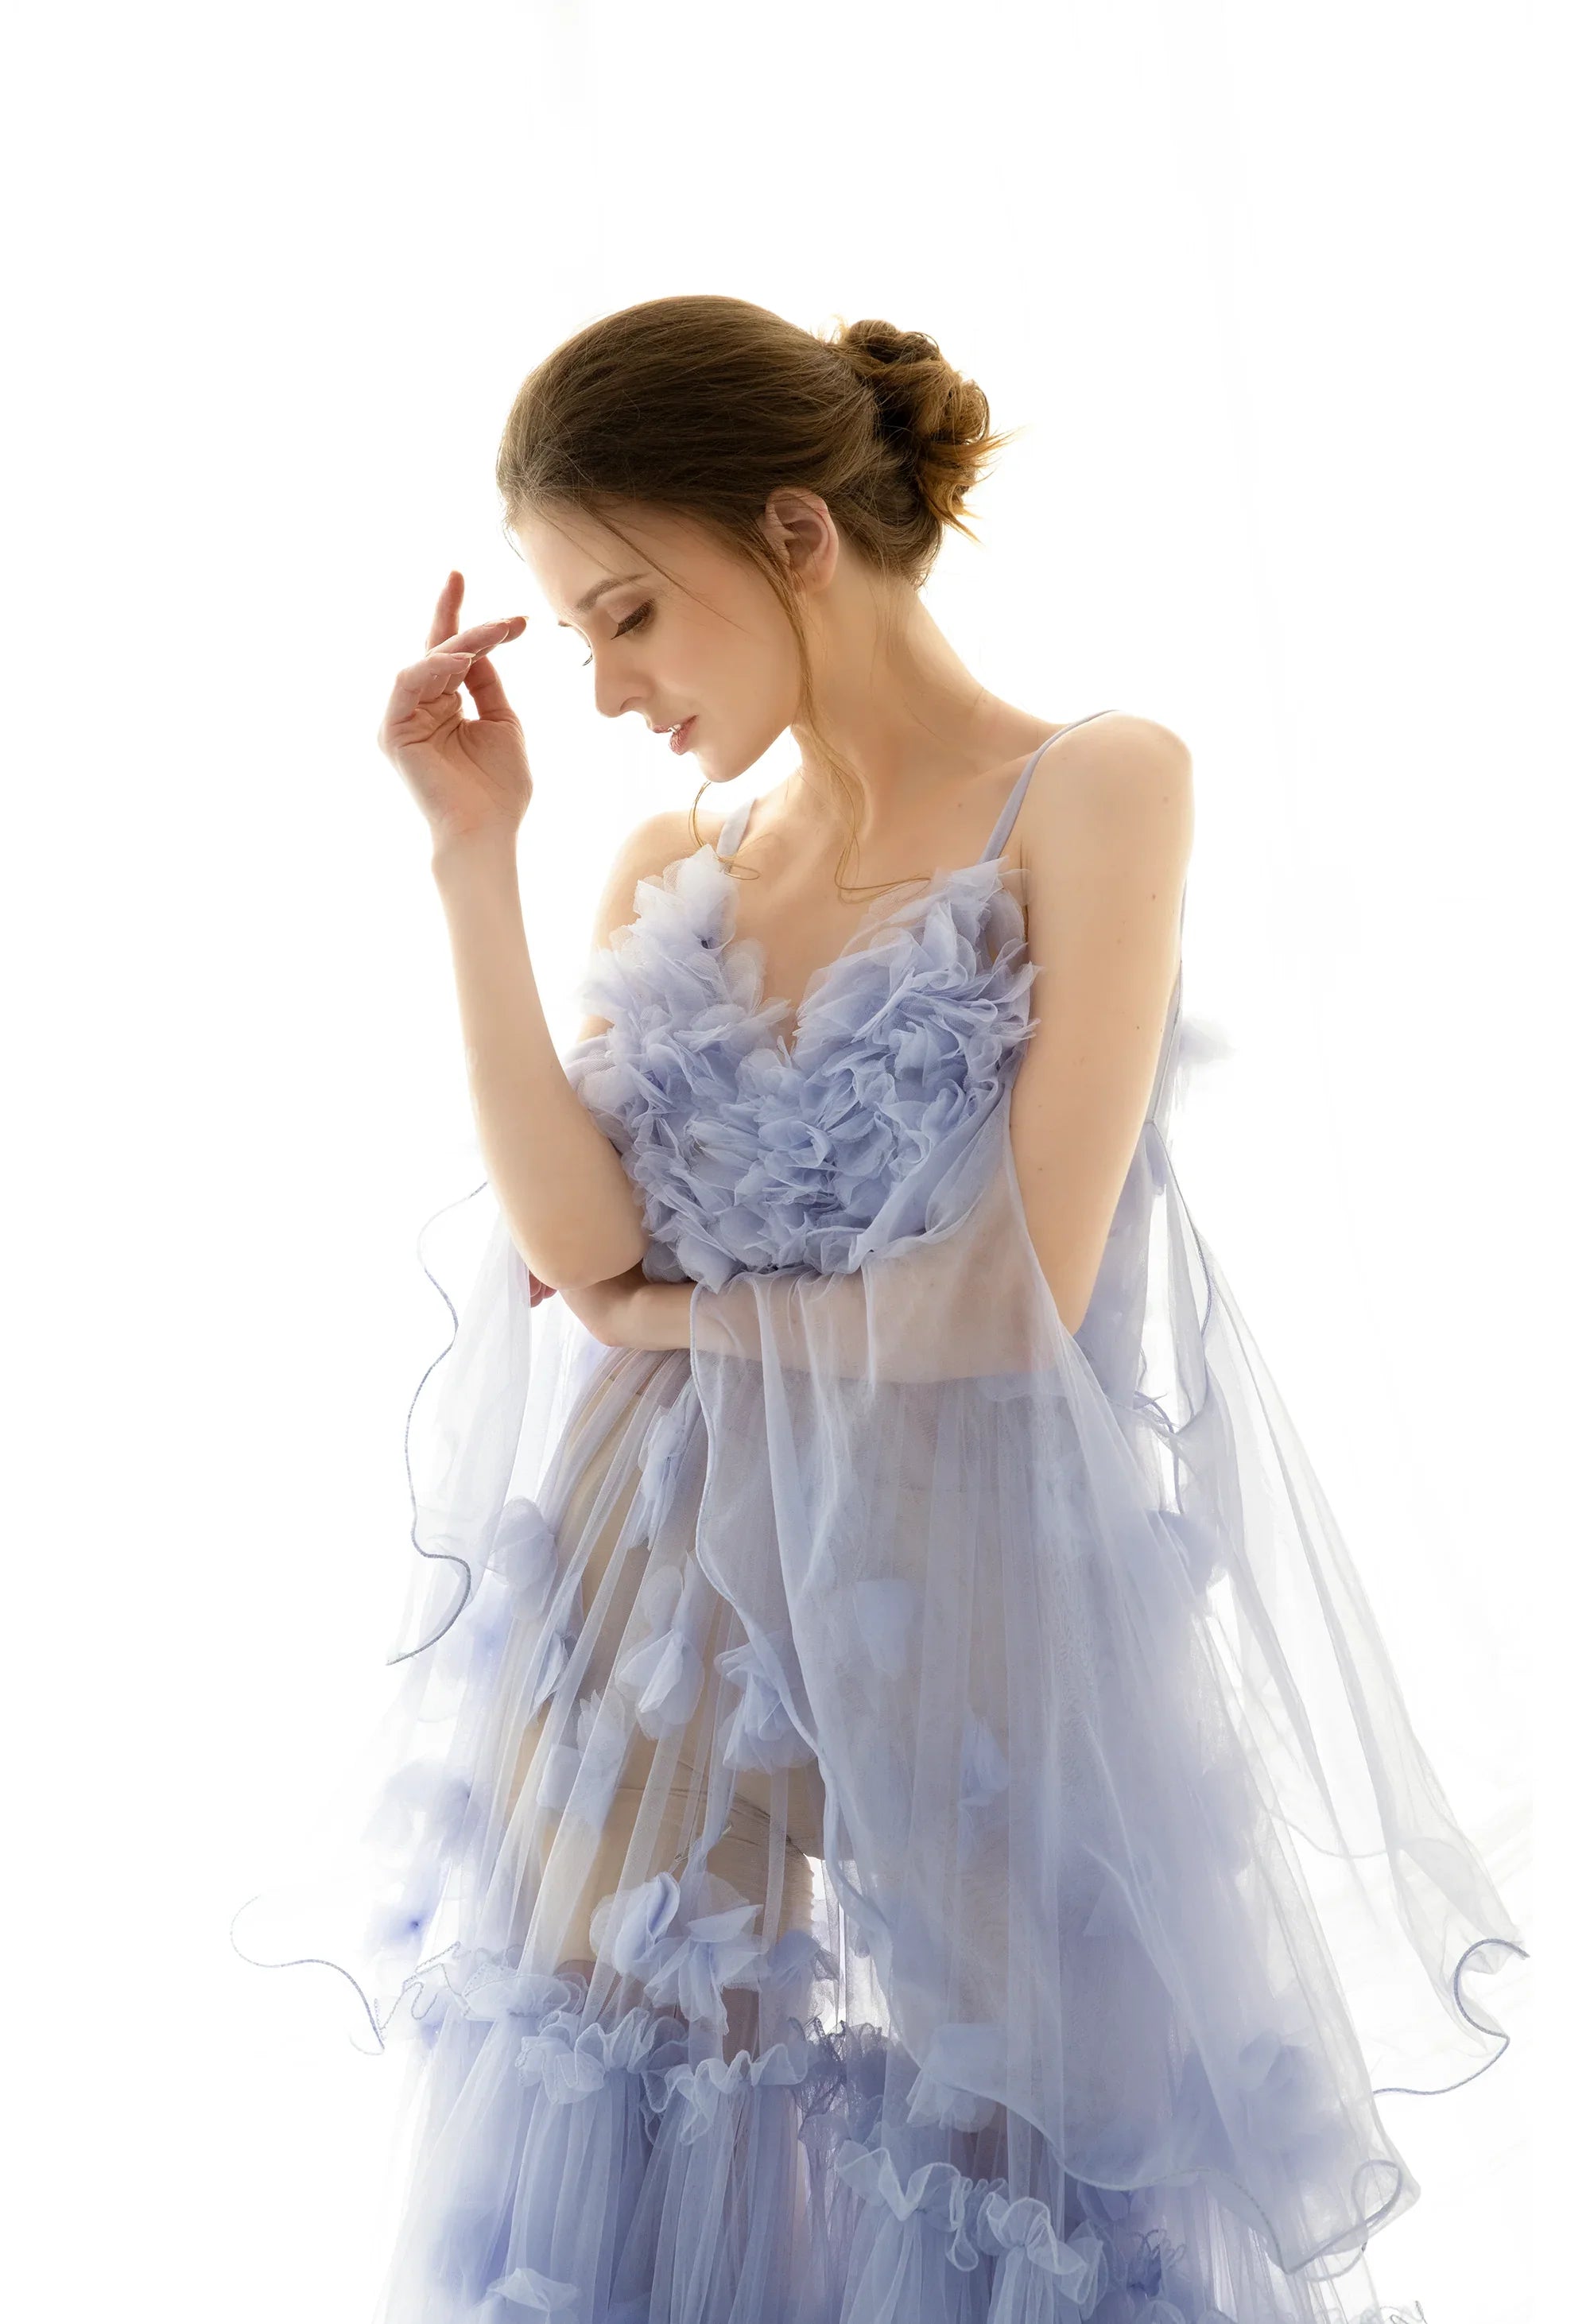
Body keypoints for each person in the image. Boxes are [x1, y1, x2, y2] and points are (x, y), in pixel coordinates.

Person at [236, 297, 1525, 2324]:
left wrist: (677, 1323)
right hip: (650, 1589)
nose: (605, 685)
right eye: (577, 632)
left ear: (796, 533)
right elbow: (583, 1243)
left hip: (970, 1580)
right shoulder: (671, 857)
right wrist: (474, 859)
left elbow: (1013, 1298)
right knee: (616, 2132)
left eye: (629, 615)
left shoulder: (1094, 787)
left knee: (1023, 2171)